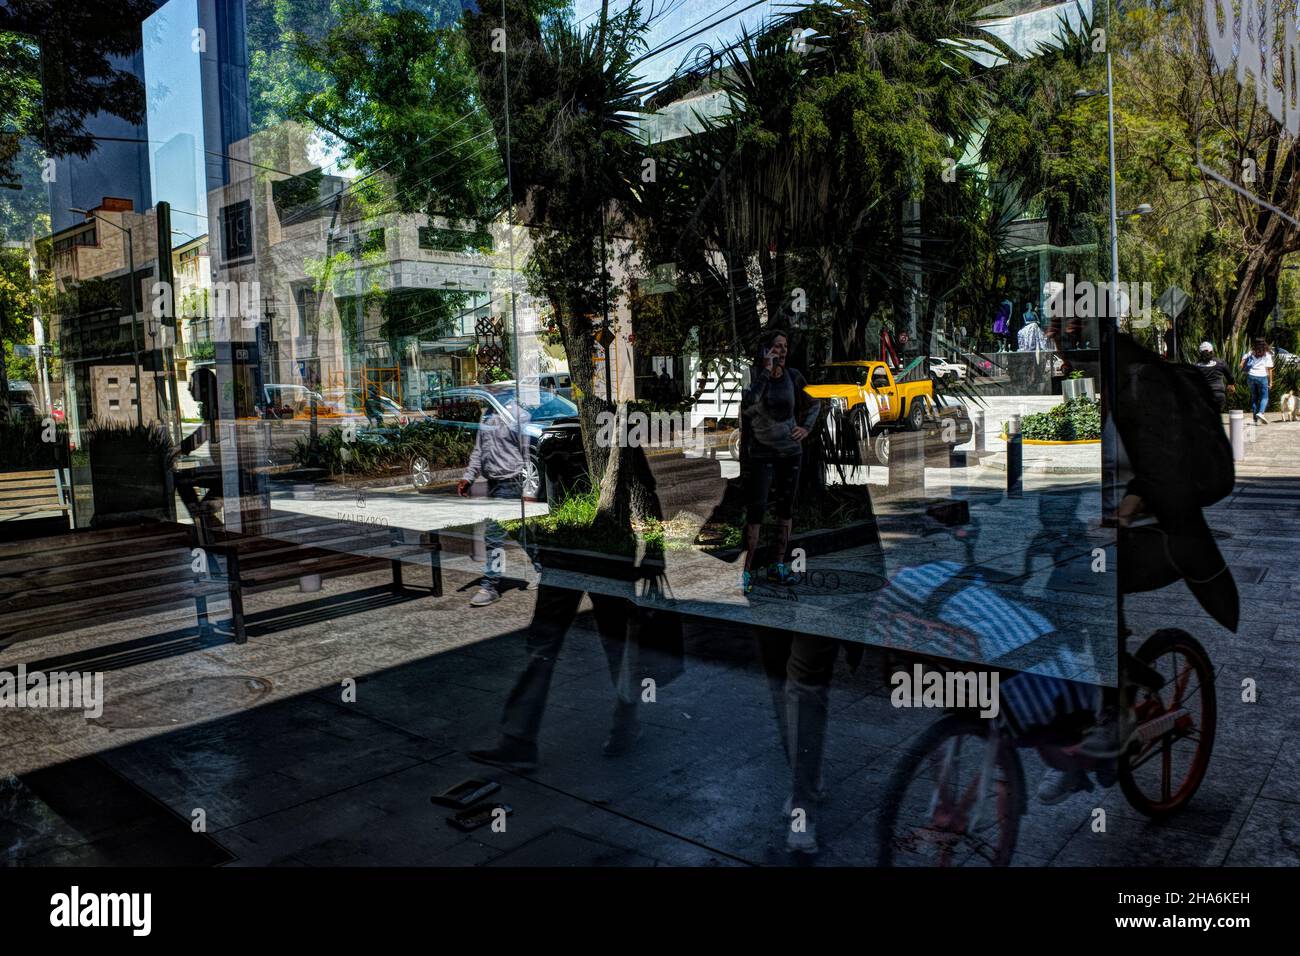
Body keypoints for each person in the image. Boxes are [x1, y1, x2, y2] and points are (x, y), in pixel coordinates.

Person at [739, 328, 821, 595]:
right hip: (762, 455)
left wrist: (806, 428)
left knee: (785, 509)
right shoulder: (754, 377)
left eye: (785, 346)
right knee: (756, 510)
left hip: (790, 453)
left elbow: (815, 404)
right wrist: (765, 370)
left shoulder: (794, 377)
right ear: (766, 350)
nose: (783, 350)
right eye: (777, 346)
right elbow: (749, 402)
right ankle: (745, 572)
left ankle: (777, 566)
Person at [457, 397, 533, 606]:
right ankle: (542, 566)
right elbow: (478, 450)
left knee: (493, 536)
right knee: (521, 531)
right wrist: (468, 476)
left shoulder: (519, 415)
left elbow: (527, 455)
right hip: (493, 483)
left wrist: (528, 490)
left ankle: (490, 585)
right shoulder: (487, 415)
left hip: (511, 482)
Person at [1241, 337, 1274, 424]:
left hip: (1251, 376)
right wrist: (1270, 381)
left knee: (1254, 397)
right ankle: (1261, 412)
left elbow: (1241, 364)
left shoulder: (1250, 353)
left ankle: (1255, 419)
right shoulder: (1267, 354)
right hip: (1262, 377)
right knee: (1265, 397)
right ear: (1264, 344)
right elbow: (1270, 369)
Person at [1195, 341, 1229, 412]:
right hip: (1219, 395)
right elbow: (1230, 376)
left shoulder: (1196, 366)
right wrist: (1231, 383)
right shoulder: (1220, 363)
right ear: (1212, 352)